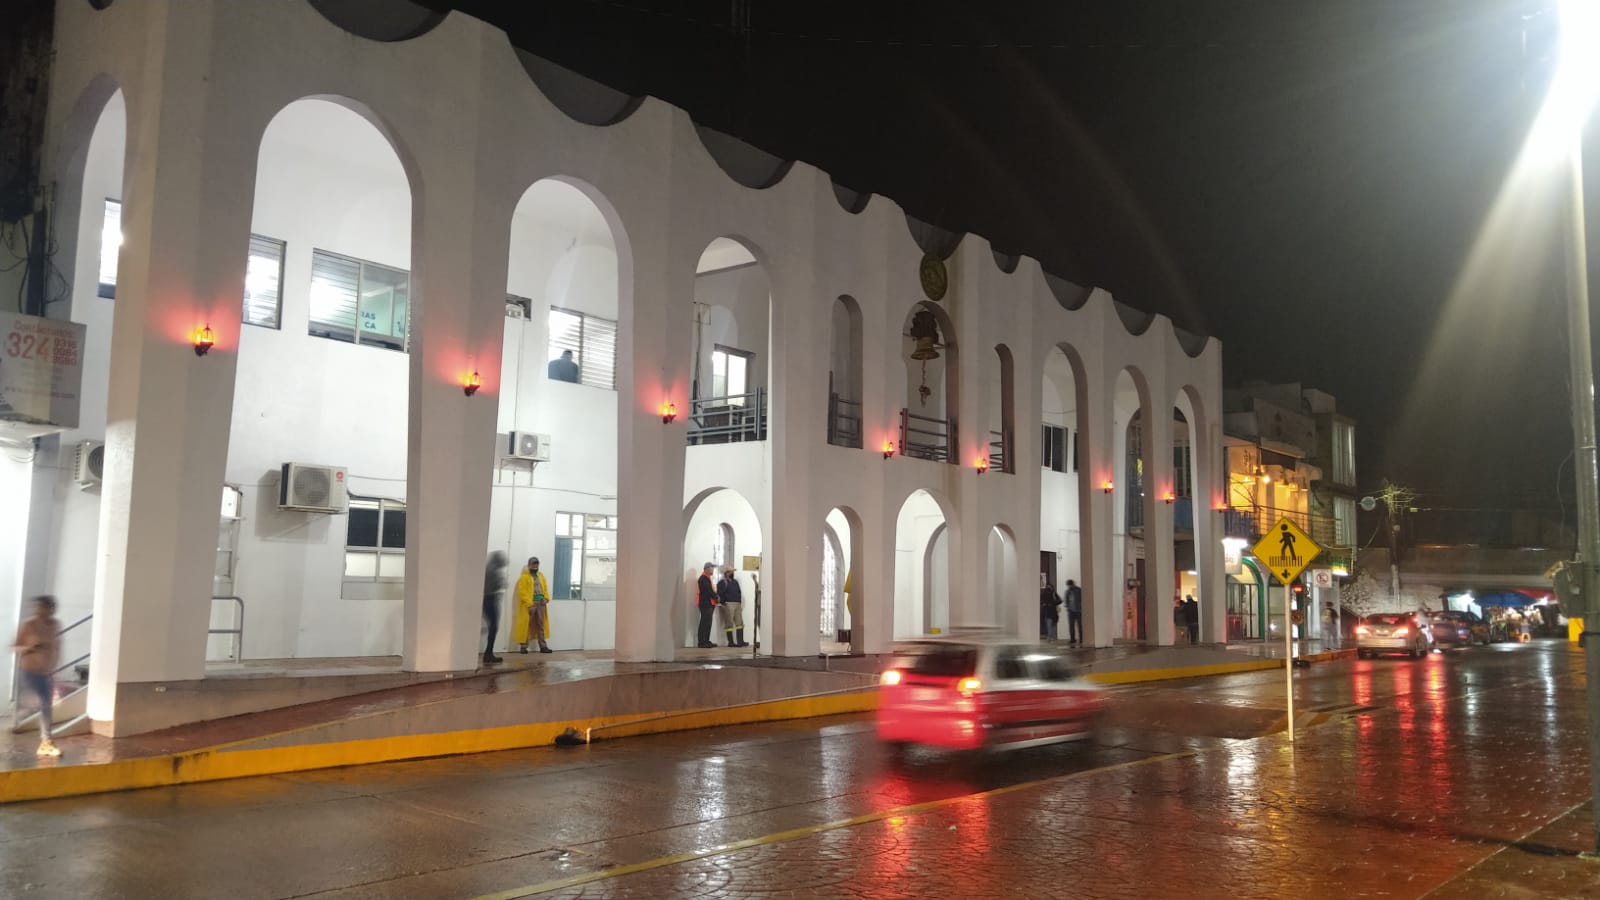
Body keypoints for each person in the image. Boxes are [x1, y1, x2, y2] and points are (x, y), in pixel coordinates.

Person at [13, 595, 62, 757]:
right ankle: (20, 719)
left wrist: (53, 665)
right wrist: (30, 648)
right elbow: (15, 646)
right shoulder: (29, 625)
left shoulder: (55, 625)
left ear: (51, 609)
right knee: (33, 705)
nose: (39, 611)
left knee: (46, 705)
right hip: (29, 672)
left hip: (46, 673)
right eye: (38, 607)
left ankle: (46, 742)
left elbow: (57, 646)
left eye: (43, 607)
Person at [514, 557, 552, 654]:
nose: (535, 566)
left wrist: (546, 598)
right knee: (526, 625)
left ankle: (543, 646)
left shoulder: (541, 576)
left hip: (541, 603)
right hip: (531, 604)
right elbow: (522, 592)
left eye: (537, 564)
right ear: (529, 565)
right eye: (533, 564)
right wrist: (529, 604)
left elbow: (545, 588)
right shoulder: (524, 577)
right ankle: (523, 647)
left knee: (541, 625)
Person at [482, 552, 507, 665]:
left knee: (492, 627)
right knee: (493, 626)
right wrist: (501, 582)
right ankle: (488, 653)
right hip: (491, 599)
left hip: (486, 599)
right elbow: (501, 585)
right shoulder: (494, 572)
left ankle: (488, 653)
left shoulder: (487, 569)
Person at [718, 566, 748, 647]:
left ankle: (740, 641)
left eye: (732, 572)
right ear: (726, 573)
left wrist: (739, 601)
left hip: (737, 604)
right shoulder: (722, 582)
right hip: (728, 604)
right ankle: (731, 642)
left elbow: (739, 591)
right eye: (730, 572)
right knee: (729, 623)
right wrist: (724, 602)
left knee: (740, 623)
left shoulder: (735, 582)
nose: (732, 573)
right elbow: (720, 593)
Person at [696, 562, 718, 648]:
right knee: (704, 623)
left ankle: (706, 641)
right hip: (705, 604)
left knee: (708, 623)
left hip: (710, 603)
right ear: (707, 569)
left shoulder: (708, 578)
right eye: (712, 568)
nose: (713, 570)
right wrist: (716, 597)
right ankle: (701, 642)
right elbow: (708, 591)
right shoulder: (703, 579)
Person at [1039, 575, 1061, 641]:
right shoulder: (1045, 593)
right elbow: (1041, 601)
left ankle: (1050, 637)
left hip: (1051, 612)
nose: (1048, 589)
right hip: (1049, 611)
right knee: (1050, 624)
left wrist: (1051, 604)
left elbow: (1060, 600)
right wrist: (1046, 604)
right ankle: (1051, 637)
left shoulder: (1053, 593)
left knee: (1051, 625)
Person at [1064, 579, 1084, 646]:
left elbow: (1082, 599)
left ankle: (1082, 639)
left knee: (1080, 625)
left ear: (1072, 584)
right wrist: (1067, 607)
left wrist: (1081, 607)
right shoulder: (1067, 591)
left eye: (1070, 585)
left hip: (1078, 610)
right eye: (1068, 586)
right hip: (1071, 611)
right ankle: (1072, 639)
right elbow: (1066, 599)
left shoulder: (1079, 590)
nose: (1069, 587)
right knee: (1071, 626)